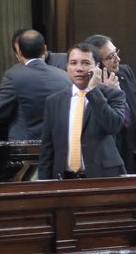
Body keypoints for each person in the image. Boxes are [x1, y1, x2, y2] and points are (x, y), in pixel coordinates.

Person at [37, 43, 128, 179]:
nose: (79, 68)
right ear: (67, 67)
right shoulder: (54, 101)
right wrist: (43, 185)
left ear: (97, 67)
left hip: (103, 177)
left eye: (86, 63)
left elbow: (113, 126)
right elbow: (47, 148)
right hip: (64, 178)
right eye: (73, 63)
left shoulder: (113, 95)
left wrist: (93, 91)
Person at [86, 35, 136, 174]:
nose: (117, 59)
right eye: (110, 57)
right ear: (98, 64)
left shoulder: (125, 72)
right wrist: (107, 92)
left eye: (116, 53)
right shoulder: (90, 86)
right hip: (114, 156)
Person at [0, 29, 72, 140]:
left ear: (20, 53)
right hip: (57, 144)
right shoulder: (64, 76)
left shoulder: (14, 75)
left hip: (25, 148)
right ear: (44, 49)